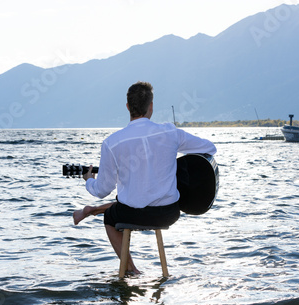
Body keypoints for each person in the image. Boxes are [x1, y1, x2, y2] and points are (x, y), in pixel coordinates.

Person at [72, 81, 216, 275]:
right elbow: (209, 147)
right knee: (131, 199)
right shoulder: (170, 132)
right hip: (169, 213)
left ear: (127, 107)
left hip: (132, 213)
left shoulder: (112, 143)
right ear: (151, 106)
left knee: (110, 216)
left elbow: (101, 190)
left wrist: (89, 180)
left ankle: (131, 269)